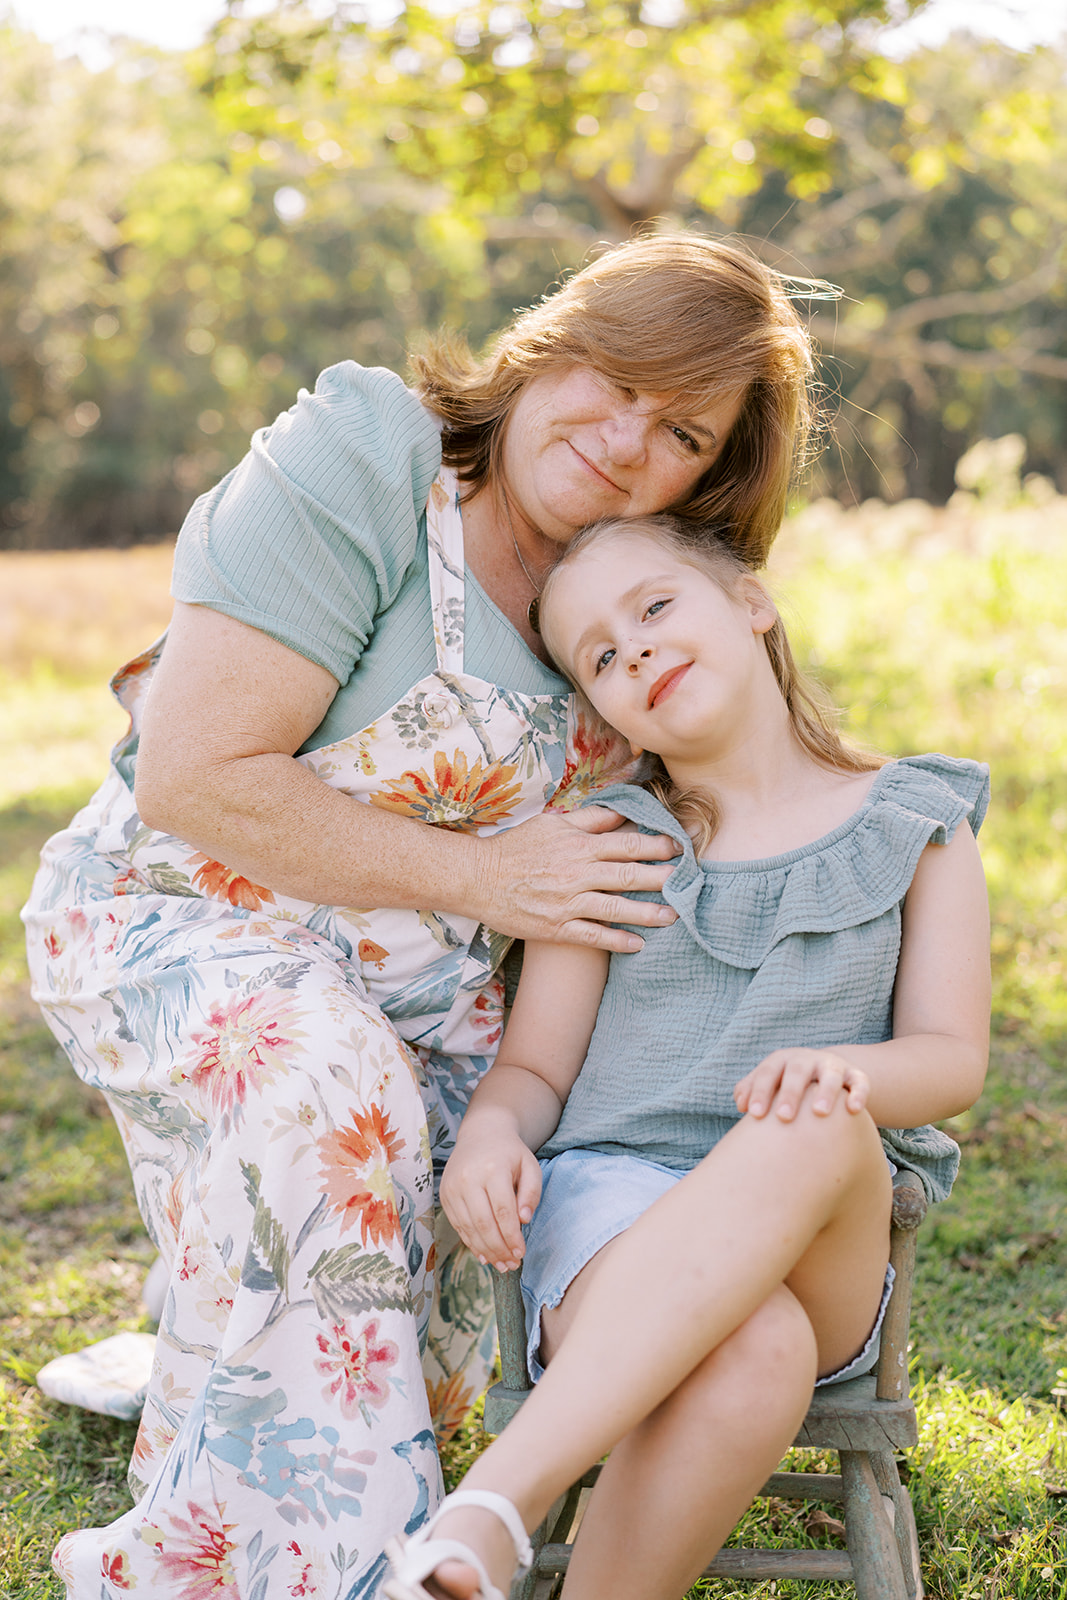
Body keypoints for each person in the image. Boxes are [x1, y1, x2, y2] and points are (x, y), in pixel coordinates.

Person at [22, 235, 817, 1599]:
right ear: (550, 344)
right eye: (617, 378)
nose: (625, 439)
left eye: (681, 432)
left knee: (484, 1202)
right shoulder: (372, 458)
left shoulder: (619, 612)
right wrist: (488, 880)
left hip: (430, 1001)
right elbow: (194, 774)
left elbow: (723, 809)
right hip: (183, 913)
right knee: (328, 1096)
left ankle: (221, 1331)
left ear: (708, 478)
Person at [391, 512, 991, 1600]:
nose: (635, 651)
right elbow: (536, 1071)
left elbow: (951, 1058)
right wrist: (488, 1132)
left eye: (655, 608)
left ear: (750, 603)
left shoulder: (915, 822)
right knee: (754, 1348)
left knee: (809, 1116)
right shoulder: (608, 848)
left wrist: (846, 1074)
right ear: (601, 707)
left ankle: (491, 1502)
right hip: (614, 1217)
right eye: (599, 657)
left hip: (820, 1233)